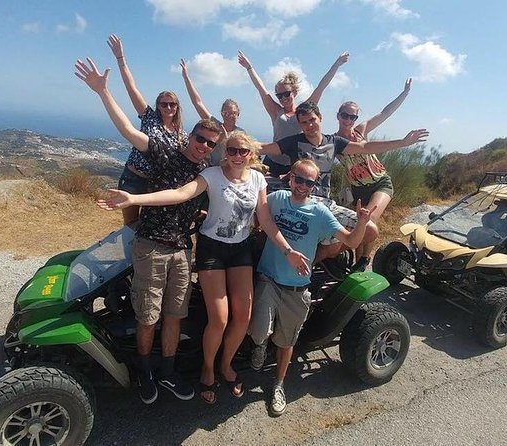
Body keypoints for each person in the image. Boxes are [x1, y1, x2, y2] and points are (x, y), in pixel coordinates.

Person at [100, 131, 308, 405]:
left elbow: (266, 221)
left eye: (242, 151)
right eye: (231, 150)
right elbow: (179, 193)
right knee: (220, 318)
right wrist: (134, 199)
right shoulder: (211, 174)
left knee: (242, 318)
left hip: (240, 250)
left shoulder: (257, 179)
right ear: (224, 152)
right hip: (212, 249)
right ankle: (208, 368)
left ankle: (226, 364)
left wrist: (288, 251)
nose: (236, 155)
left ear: (250, 155)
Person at [75, 56, 221, 404]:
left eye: (209, 143)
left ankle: (167, 372)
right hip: (152, 246)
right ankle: (144, 372)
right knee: (148, 316)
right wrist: (102, 92)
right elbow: (128, 130)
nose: (203, 145)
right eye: (200, 138)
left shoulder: (206, 168)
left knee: (175, 316)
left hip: (183, 250)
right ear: (192, 134)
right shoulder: (166, 151)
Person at [249, 159, 374, 416]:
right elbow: (255, 215)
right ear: (290, 178)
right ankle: (259, 346)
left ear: (315, 185)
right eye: (299, 179)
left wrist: (361, 223)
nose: (303, 186)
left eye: (309, 182)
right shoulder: (276, 199)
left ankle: (279, 384)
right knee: (260, 329)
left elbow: (350, 240)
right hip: (268, 278)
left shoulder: (320, 213)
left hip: (296, 287)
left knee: (286, 342)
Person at [258, 101, 428, 272]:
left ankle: (314, 262)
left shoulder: (334, 142)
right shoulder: (293, 142)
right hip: (300, 201)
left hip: (324, 204)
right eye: (304, 122)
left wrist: (402, 142)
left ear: (320, 118)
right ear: (299, 124)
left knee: (369, 229)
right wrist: (235, 147)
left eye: (312, 120)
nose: (309, 125)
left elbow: (365, 147)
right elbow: (263, 148)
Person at [108, 34, 188, 226]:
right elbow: (131, 88)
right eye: (164, 104)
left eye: (172, 104)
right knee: (131, 223)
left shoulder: (181, 136)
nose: (168, 108)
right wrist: (121, 59)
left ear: (177, 107)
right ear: (158, 105)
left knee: (148, 225)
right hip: (133, 178)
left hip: (156, 184)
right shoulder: (149, 117)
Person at [335, 78, 413, 270]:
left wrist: (404, 94)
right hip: (358, 189)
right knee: (357, 229)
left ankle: (364, 259)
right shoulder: (334, 142)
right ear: (338, 115)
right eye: (345, 115)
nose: (348, 120)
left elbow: (385, 113)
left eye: (352, 117)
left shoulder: (361, 131)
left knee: (367, 221)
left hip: (380, 183)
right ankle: (356, 266)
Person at [237, 49, 350, 177]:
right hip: (272, 162)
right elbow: (260, 88)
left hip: (294, 164)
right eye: (279, 96)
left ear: (294, 93)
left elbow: (321, 87)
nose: (283, 98)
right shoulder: (276, 111)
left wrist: (337, 64)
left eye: (286, 94)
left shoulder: (304, 112)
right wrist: (249, 67)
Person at [180, 59, 245, 166]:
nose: (229, 116)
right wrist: (186, 77)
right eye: (226, 113)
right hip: (214, 171)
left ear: (238, 114)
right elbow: (197, 103)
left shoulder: (241, 133)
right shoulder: (215, 126)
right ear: (221, 113)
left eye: (233, 113)